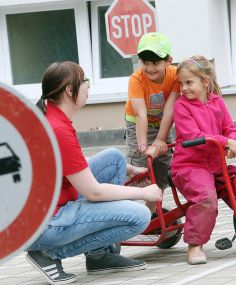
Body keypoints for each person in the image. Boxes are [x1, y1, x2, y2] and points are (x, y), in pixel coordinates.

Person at [25, 61, 163, 285]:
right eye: (85, 83)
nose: (88, 88)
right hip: (47, 224)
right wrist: (144, 193)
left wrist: (128, 170)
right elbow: (94, 193)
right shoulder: (58, 129)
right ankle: (49, 254)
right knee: (139, 216)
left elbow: (70, 163)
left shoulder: (50, 116)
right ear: (70, 90)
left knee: (114, 160)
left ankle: (99, 256)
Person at [171, 56, 236, 265]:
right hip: (189, 166)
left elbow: (229, 128)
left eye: (189, 82)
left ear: (205, 81)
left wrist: (231, 141)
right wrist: (226, 142)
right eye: (181, 83)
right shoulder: (182, 107)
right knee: (206, 198)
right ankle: (194, 246)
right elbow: (194, 136)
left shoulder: (217, 102)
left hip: (215, 165)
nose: (183, 88)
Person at [125, 32, 180, 213]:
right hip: (138, 124)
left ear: (168, 60)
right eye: (145, 62)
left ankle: (153, 212)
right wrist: (143, 146)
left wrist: (160, 140)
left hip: (161, 122)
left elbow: (170, 109)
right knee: (141, 167)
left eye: (155, 63)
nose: (149, 68)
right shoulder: (136, 79)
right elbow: (141, 115)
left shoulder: (174, 76)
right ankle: (126, 207)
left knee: (162, 166)